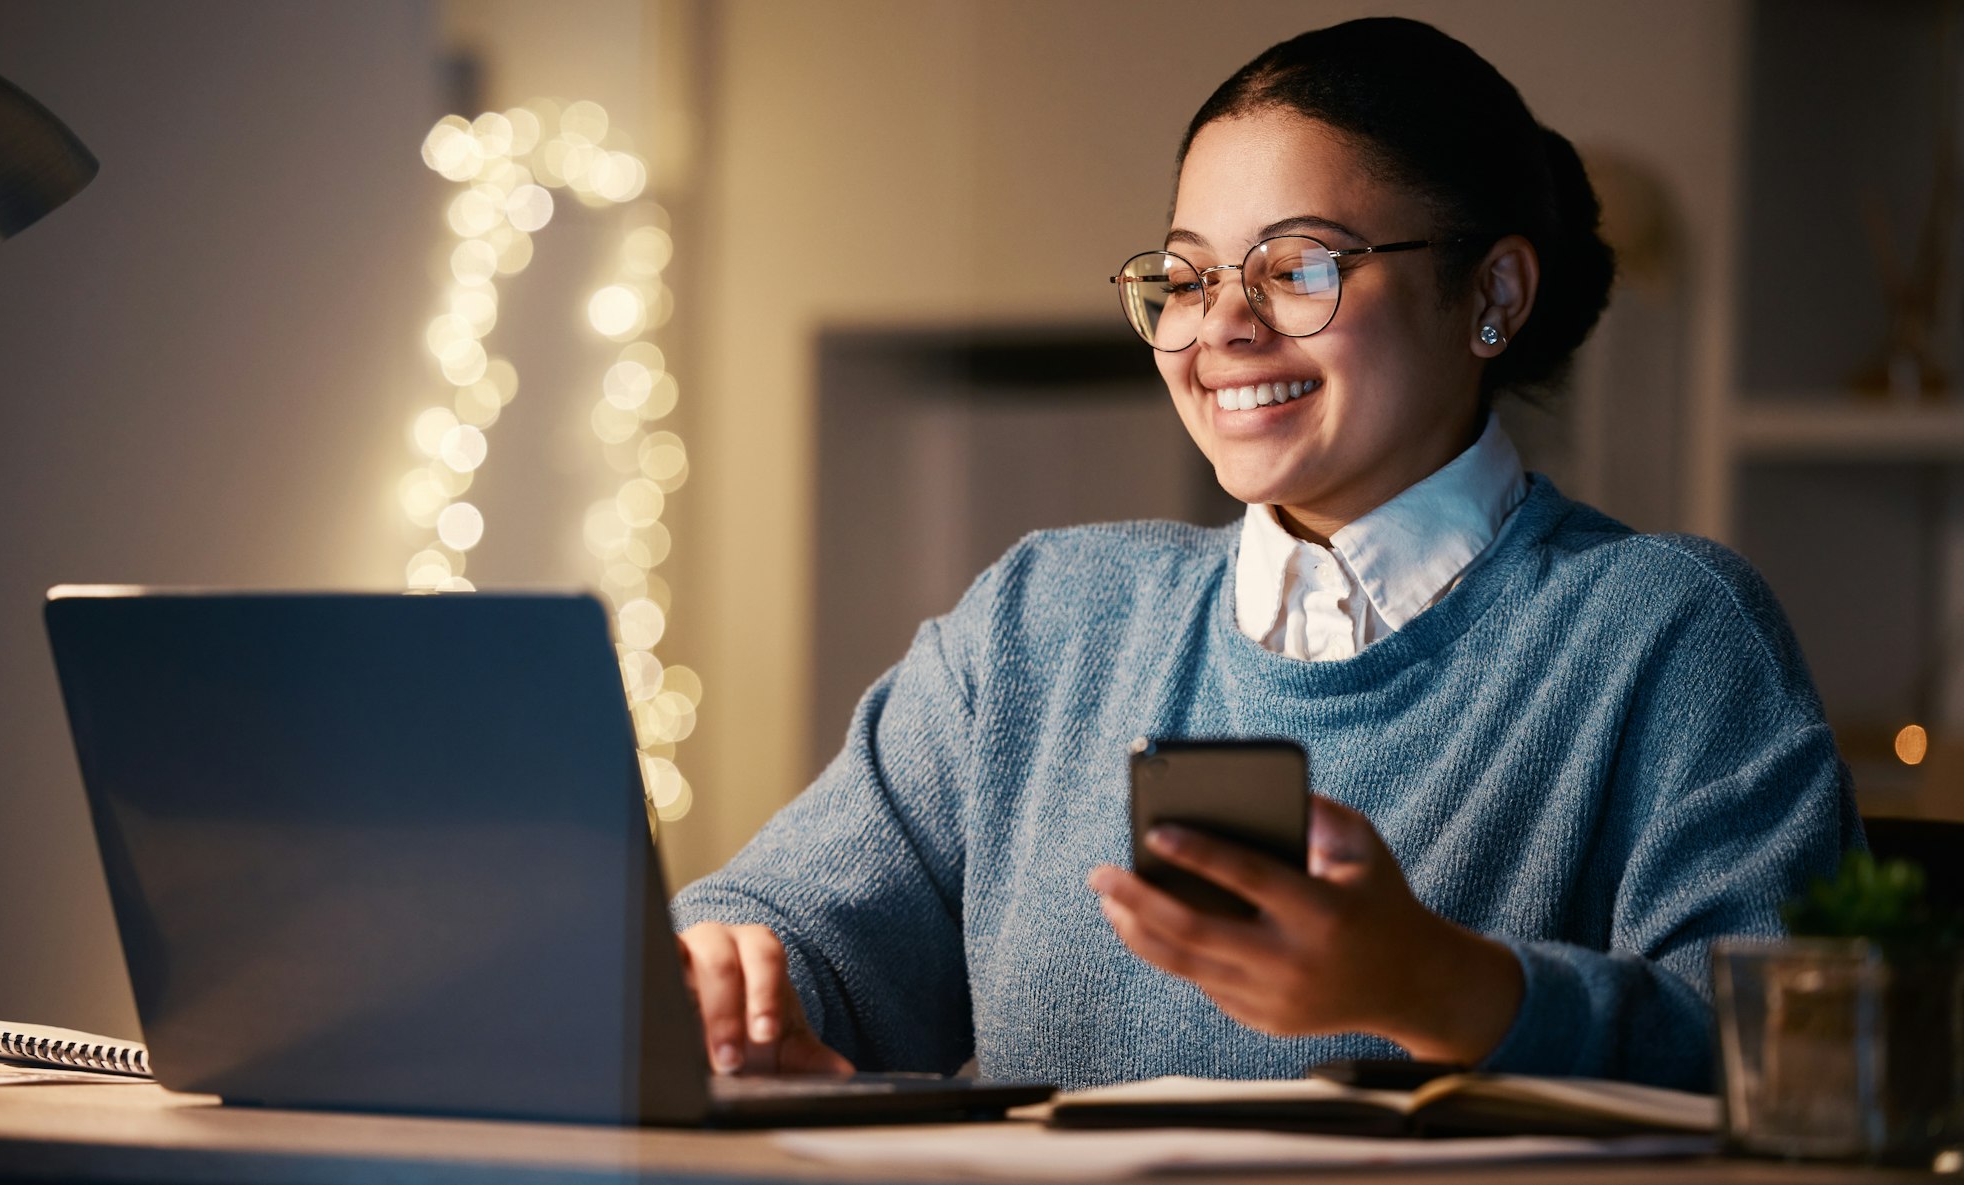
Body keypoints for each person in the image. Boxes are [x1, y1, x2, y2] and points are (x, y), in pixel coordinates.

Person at [669, 16, 1856, 1092]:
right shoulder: (1041, 620)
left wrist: (1440, 988)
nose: (1220, 327)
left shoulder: (1665, 629)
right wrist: (738, 973)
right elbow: (792, 931)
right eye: (1183, 278)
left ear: (1490, 292)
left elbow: (1801, 1066)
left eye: (1297, 267)